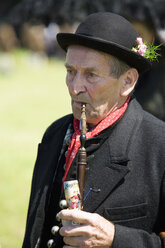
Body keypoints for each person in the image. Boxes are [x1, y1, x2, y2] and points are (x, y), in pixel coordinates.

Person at [22, 12, 165, 248]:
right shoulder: (55, 134)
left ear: (128, 81)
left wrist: (115, 238)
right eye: (70, 71)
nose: (75, 87)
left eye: (91, 75)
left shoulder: (159, 145)